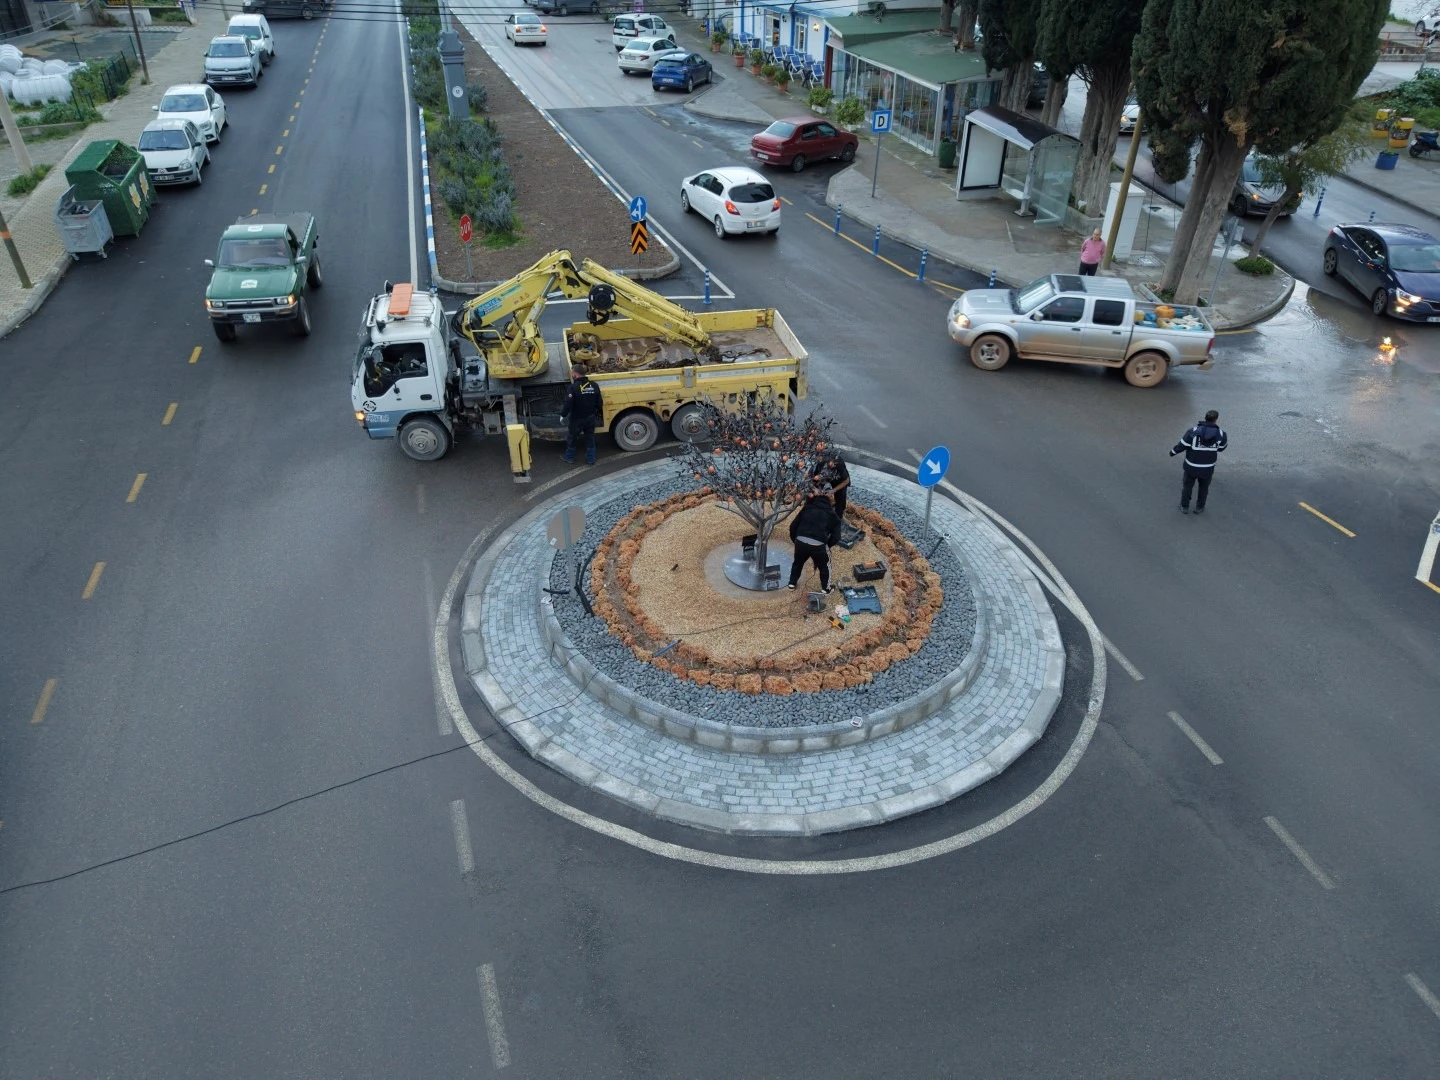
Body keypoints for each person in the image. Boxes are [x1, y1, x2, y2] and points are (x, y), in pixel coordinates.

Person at [1170, 409, 1228, 514]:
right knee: (1204, 488)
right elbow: (1221, 448)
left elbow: (1182, 445)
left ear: (1205, 418)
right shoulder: (1221, 434)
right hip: (1208, 468)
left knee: (1187, 486)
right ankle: (1200, 507)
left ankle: (1184, 506)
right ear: (1216, 420)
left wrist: (1173, 452)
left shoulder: (1193, 431)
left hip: (1191, 466)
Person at [786, 486, 843, 593]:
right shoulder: (833, 515)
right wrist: (826, 545)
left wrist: (796, 541)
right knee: (825, 566)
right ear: (830, 502)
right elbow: (836, 537)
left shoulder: (807, 508)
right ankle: (826, 589)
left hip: (800, 541)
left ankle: (792, 584)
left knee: (797, 563)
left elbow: (792, 526)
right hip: (818, 544)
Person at [560, 366, 603, 465]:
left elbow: (568, 403)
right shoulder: (594, 385)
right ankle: (591, 459)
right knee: (590, 438)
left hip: (577, 418)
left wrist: (563, 415)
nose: (571, 374)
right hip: (590, 417)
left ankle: (569, 457)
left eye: (572, 373)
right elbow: (599, 403)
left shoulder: (573, 387)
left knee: (572, 437)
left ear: (575, 374)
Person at [811, 452, 851, 523]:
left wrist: (833, 490)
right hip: (821, 479)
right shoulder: (819, 465)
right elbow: (808, 479)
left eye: (833, 464)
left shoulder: (839, 464)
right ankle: (813, 511)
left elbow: (846, 480)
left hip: (838, 481)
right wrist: (815, 489)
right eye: (830, 464)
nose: (832, 465)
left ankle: (838, 517)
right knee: (814, 495)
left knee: (841, 497)